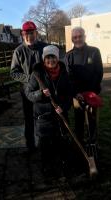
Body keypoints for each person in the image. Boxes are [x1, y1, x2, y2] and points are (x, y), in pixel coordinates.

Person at [25, 45, 72, 174]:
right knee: (45, 145)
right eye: (47, 58)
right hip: (43, 117)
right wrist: (40, 94)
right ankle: (46, 167)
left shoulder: (64, 73)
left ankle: (63, 164)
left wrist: (63, 106)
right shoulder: (37, 74)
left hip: (60, 116)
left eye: (53, 57)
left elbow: (69, 95)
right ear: (43, 60)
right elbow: (28, 94)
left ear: (57, 58)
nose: (50, 60)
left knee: (61, 142)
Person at [11, 21, 47, 152]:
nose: (29, 36)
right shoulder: (18, 51)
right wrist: (29, 80)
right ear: (22, 34)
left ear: (36, 33)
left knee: (45, 117)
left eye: (31, 33)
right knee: (29, 119)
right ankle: (30, 146)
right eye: (26, 33)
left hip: (44, 90)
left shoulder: (44, 47)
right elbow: (14, 72)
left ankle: (45, 143)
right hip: (27, 92)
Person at [65, 26, 103, 146]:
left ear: (84, 36)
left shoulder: (94, 51)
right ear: (72, 39)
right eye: (75, 37)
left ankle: (93, 143)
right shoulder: (68, 56)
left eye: (80, 36)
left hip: (92, 93)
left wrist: (90, 92)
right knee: (79, 120)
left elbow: (99, 72)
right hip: (77, 95)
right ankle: (79, 143)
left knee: (92, 120)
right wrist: (77, 93)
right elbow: (68, 77)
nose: (78, 39)